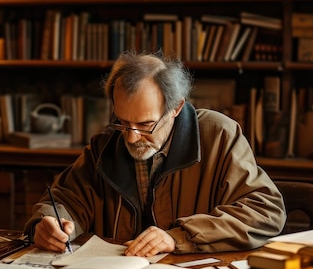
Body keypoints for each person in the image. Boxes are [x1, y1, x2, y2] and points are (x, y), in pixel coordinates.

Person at [24, 51, 286, 257]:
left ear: (175, 108)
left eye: (145, 125)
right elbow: (65, 200)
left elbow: (266, 211)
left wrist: (178, 237)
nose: (130, 136)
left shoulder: (217, 134)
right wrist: (47, 224)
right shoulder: (105, 144)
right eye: (123, 122)